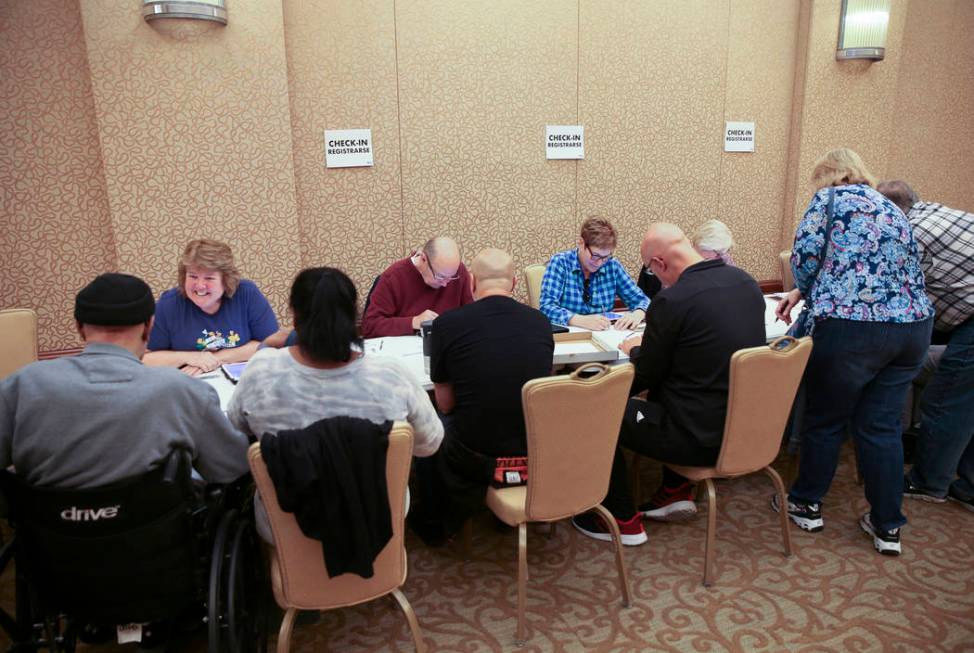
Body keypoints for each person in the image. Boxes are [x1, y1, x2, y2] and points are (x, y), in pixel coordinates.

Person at [774, 150, 933, 556]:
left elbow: (805, 261)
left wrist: (806, 289)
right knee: (881, 427)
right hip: (911, 328)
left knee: (826, 419)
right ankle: (887, 526)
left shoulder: (827, 201)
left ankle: (806, 503)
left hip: (851, 328)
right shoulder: (891, 206)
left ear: (826, 177)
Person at [571, 224, 765, 546]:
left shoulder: (673, 300)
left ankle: (621, 519)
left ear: (659, 264)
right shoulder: (745, 282)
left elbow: (643, 376)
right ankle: (674, 491)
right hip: (743, 431)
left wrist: (634, 352)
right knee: (687, 385)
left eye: (650, 270)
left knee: (601, 409)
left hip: (695, 439)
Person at [226, 267, 444, 541]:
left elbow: (237, 425)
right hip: (378, 516)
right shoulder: (391, 375)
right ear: (354, 315)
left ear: (294, 314)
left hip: (288, 527)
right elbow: (430, 444)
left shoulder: (262, 371)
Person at [0, 273, 250, 489]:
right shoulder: (184, 390)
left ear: (78, 326)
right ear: (149, 327)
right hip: (159, 537)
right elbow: (230, 468)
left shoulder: (22, 385)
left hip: (45, 537)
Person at [410, 248, 554, 544]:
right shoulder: (540, 322)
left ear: (471, 280)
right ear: (514, 283)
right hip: (534, 449)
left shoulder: (447, 325)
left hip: (474, 455)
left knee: (428, 424)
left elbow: (446, 404)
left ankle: (437, 523)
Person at [877, 180, 974, 513]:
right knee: (969, 402)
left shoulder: (911, 234)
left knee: (946, 402)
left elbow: (893, 294)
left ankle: (928, 482)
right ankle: (968, 485)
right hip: (964, 319)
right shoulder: (936, 212)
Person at [144, 239, 279, 376]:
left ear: (226, 280)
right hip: (189, 383)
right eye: (193, 276)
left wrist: (214, 359)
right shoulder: (169, 304)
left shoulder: (246, 294)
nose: (200, 285)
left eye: (209, 278)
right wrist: (190, 358)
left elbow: (272, 344)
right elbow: (146, 359)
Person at [539, 217, 649, 331]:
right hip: (569, 336)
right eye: (595, 256)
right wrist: (580, 320)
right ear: (581, 243)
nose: (600, 263)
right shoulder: (560, 262)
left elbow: (642, 300)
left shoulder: (612, 265)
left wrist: (638, 313)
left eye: (605, 257)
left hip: (604, 335)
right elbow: (546, 308)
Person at [360, 237, 473, 338]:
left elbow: (470, 315)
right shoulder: (393, 278)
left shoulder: (458, 271)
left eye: (451, 277)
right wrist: (414, 322)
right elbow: (370, 326)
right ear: (423, 259)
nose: (445, 284)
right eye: (440, 277)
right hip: (407, 353)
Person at [637, 219, 736, 299]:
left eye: (724, 252)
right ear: (697, 245)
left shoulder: (727, 264)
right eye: (717, 253)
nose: (720, 258)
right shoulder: (659, 265)